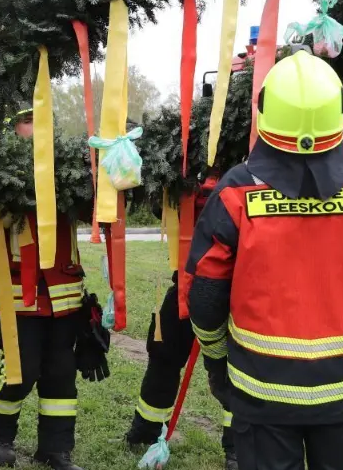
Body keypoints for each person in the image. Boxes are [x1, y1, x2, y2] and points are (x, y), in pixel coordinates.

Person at [186, 50, 343, 470]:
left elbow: (205, 295)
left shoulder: (236, 193)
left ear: (266, 111)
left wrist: (217, 365)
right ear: (337, 115)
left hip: (261, 391)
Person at [0, 107, 95, 470]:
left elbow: (94, 211)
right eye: (28, 121)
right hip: (20, 297)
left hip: (64, 296)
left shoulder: (68, 171)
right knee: (21, 371)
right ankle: (0, 435)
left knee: (61, 375)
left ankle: (55, 449)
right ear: (12, 130)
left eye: (41, 120)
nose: (36, 128)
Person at [124, 175, 237, 470]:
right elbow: (160, 209)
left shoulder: (246, 169)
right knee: (163, 354)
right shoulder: (185, 166)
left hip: (236, 290)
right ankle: (146, 430)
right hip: (187, 284)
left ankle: (237, 446)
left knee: (236, 366)